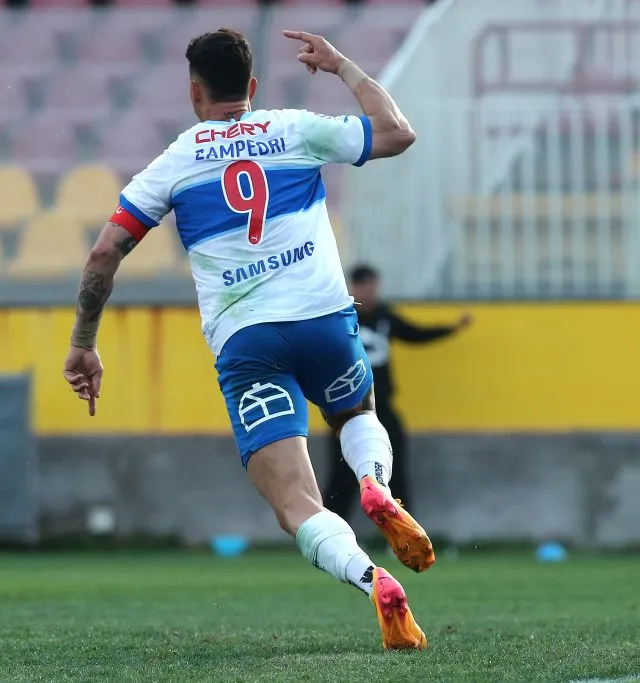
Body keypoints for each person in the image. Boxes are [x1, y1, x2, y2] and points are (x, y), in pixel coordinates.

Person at [61, 28, 432, 650]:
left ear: (194, 91)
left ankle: (375, 582)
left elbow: (103, 255)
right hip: (324, 322)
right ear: (252, 88)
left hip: (247, 342)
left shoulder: (177, 160)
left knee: (294, 503)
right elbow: (396, 132)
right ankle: (375, 485)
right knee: (356, 413)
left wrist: (84, 340)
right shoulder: (294, 129)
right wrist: (341, 66)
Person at [323, 264, 471, 519]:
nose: (369, 292)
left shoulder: (385, 317)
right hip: (347, 411)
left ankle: (404, 534)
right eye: (364, 286)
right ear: (353, 287)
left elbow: (415, 334)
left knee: (395, 470)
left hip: (383, 409)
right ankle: (333, 536)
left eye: (373, 287)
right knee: (342, 476)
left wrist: (452, 328)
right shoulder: (340, 318)